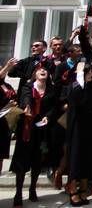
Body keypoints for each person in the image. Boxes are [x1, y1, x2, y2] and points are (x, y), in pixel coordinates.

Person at [10, 64, 56, 208]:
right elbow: (25, 99)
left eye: (45, 70)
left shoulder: (51, 90)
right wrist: (26, 106)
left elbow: (53, 107)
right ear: (35, 73)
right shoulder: (27, 87)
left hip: (41, 130)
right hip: (26, 128)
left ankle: (32, 188)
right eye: (40, 69)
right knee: (21, 162)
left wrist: (48, 116)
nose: (43, 70)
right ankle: (18, 193)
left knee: (37, 161)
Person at [66, 62, 92, 206]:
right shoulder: (74, 85)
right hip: (77, 127)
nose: (91, 74)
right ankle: (73, 189)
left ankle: (83, 189)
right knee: (75, 158)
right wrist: (80, 74)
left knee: (88, 158)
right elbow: (76, 99)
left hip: (90, 127)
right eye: (88, 71)